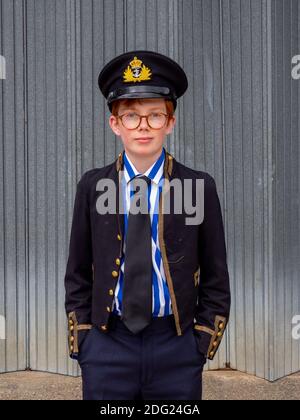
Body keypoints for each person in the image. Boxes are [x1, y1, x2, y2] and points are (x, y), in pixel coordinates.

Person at [64, 50, 231, 400]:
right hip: (109, 346)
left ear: (170, 123)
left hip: (176, 347)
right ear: (115, 124)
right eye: (131, 116)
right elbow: (77, 272)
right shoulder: (92, 187)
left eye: (155, 115)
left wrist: (198, 344)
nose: (143, 126)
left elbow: (216, 277)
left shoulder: (198, 188)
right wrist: (86, 341)